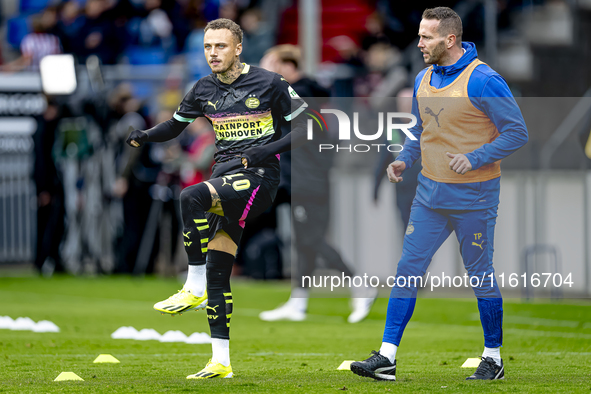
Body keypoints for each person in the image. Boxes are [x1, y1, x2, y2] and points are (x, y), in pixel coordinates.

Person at [350, 7, 528, 381]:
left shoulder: (484, 80)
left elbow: (517, 133)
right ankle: (387, 357)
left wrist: (474, 157)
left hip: (474, 199)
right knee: (406, 271)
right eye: (419, 35)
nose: (419, 43)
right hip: (429, 198)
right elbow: (419, 131)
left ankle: (492, 358)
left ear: (450, 40)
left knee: (480, 274)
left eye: (426, 37)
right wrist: (403, 160)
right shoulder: (422, 78)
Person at [126, 18, 308, 379]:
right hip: (224, 177)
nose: (213, 53)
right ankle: (220, 361)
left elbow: (311, 127)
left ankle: (191, 284)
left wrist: (263, 152)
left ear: (238, 48)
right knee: (219, 272)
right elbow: (176, 125)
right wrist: (144, 135)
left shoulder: (270, 83)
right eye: (208, 47)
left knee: (191, 196)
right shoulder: (202, 88)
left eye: (221, 46)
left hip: (259, 178)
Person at [257, 44, 377, 323]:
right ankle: (298, 302)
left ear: (287, 67)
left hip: (309, 179)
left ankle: (360, 283)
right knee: (304, 243)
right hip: (297, 178)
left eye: (270, 66)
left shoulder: (302, 94)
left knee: (311, 240)